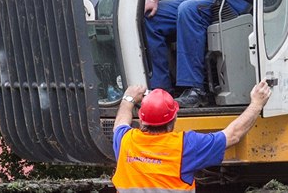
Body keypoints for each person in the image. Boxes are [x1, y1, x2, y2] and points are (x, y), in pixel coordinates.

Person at [111, 80, 272, 192]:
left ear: (141, 119)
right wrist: (257, 103)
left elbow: (120, 123)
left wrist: (128, 98)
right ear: (174, 118)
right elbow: (233, 135)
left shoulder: (126, 141)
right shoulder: (184, 146)